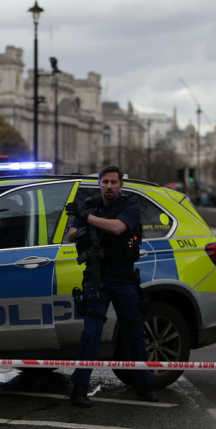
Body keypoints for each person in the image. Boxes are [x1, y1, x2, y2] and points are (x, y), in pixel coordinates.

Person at [64, 165, 159, 408]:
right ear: (99, 184)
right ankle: (80, 387)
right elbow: (71, 235)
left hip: (124, 278)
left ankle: (144, 384)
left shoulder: (130, 205)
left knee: (134, 331)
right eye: (105, 182)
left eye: (113, 182)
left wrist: (87, 219)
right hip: (97, 275)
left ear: (120, 185)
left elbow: (118, 227)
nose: (109, 186)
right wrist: (81, 223)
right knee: (91, 332)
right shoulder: (89, 204)